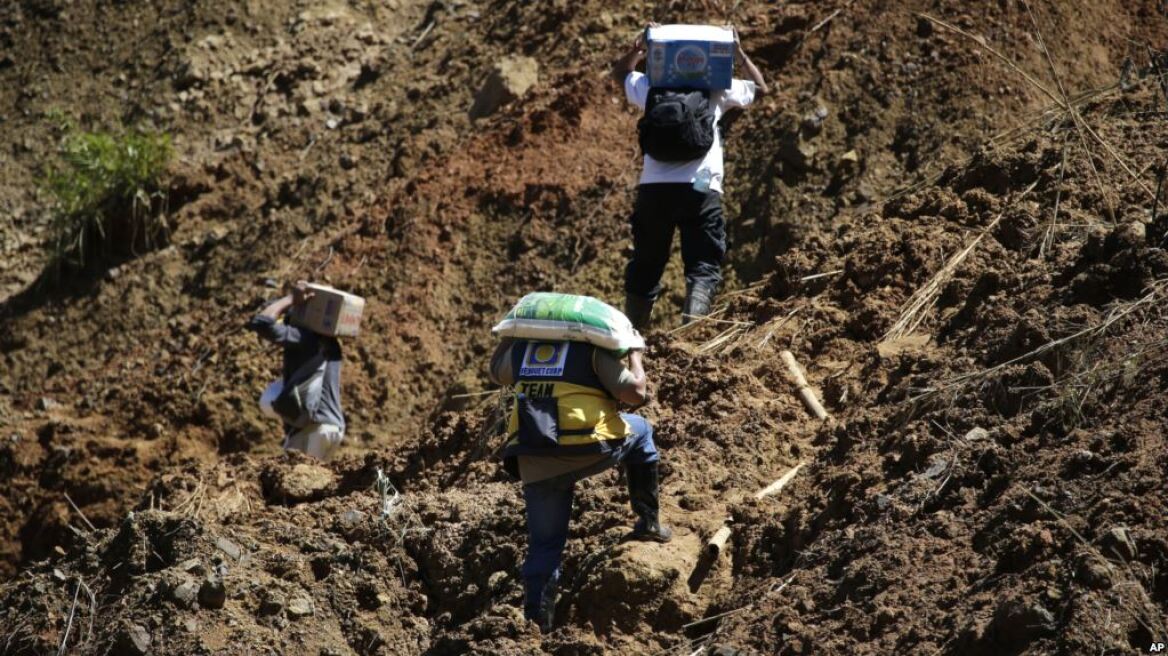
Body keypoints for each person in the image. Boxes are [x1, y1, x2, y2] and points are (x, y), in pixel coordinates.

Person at [489, 336, 670, 631]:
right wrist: (636, 354)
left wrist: (511, 336)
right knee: (643, 430)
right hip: (586, 447)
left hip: (535, 456)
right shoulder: (593, 352)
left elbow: (495, 370)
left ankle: (536, 625)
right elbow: (636, 393)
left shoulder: (523, 351)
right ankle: (648, 522)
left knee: (545, 544)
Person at [613, 25, 769, 328]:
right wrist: (737, 51)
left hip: (654, 190)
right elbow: (761, 89)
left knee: (646, 264)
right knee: (702, 265)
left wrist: (638, 50)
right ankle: (688, 338)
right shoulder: (716, 89)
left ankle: (631, 343)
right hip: (701, 188)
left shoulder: (652, 87)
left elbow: (619, 75)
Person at [247, 281, 345, 460]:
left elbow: (262, 323)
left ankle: (386, 487)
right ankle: (386, 487)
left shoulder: (304, 337)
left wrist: (291, 299)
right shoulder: (332, 344)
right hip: (333, 428)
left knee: (297, 484)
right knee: (323, 484)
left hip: (311, 430)